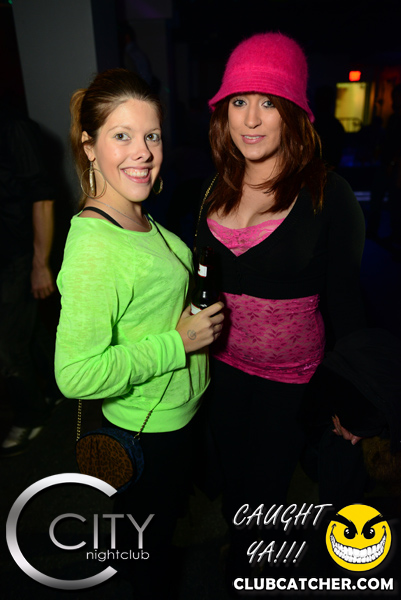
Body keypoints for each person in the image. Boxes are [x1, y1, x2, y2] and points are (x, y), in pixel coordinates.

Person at [195, 33, 366, 592]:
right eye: (239, 101)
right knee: (231, 476)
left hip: (291, 380)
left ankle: (253, 569)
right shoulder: (212, 187)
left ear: (293, 112)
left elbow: (347, 301)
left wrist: (351, 394)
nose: (250, 119)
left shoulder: (328, 194)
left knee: (266, 487)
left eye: (268, 102)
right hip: (221, 369)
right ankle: (240, 548)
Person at [54, 68, 223, 599]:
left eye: (152, 135)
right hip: (148, 431)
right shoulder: (94, 247)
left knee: (149, 537)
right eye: (122, 136)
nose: (143, 153)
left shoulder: (137, 215)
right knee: (149, 558)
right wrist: (179, 343)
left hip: (178, 415)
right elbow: (74, 375)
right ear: (89, 147)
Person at [0, 99, 60, 457]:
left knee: (7, 345)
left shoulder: (12, 126)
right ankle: (54, 389)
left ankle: (30, 415)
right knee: (27, 328)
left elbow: (43, 197)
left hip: (18, 255)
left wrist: (40, 264)